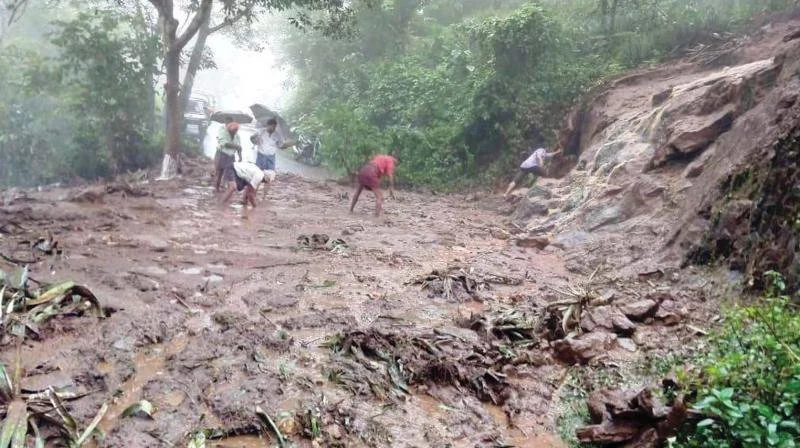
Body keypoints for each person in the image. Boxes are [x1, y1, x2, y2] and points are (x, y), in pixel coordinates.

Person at [214, 118, 242, 192]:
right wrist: (235, 146)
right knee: (220, 172)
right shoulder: (223, 132)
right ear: (230, 129)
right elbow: (225, 143)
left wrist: (240, 157)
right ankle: (217, 188)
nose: (234, 132)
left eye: (236, 131)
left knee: (229, 174)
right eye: (233, 131)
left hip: (231, 156)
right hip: (222, 154)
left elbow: (239, 147)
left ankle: (227, 188)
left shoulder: (237, 136)